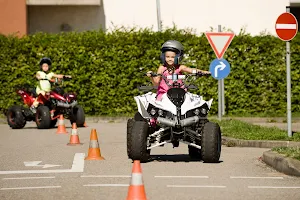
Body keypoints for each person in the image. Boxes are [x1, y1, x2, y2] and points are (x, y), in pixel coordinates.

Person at [146, 40, 211, 101]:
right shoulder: (162, 68)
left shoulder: (180, 67)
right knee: (158, 105)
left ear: (178, 57)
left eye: (172, 57)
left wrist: (203, 72)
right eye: (167, 57)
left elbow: (191, 70)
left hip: (180, 94)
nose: (170, 59)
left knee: (191, 101)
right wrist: (152, 76)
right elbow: (156, 83)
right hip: (164, 94)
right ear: (163, 57)